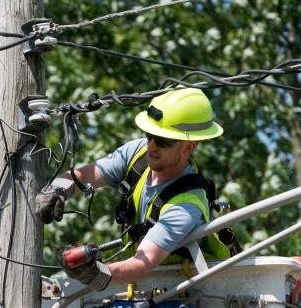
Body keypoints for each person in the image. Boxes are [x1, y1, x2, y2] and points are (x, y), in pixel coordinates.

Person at [35, 87, 232, 291]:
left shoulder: (186, 204)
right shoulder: (138, 153)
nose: (152, 146)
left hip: (180, 293)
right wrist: (57, 190)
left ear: (189, 147)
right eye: (150, 135)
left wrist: (96, 273)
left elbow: (142, 263)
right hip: (146, 290)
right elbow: (84, 176)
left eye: (163, 141)